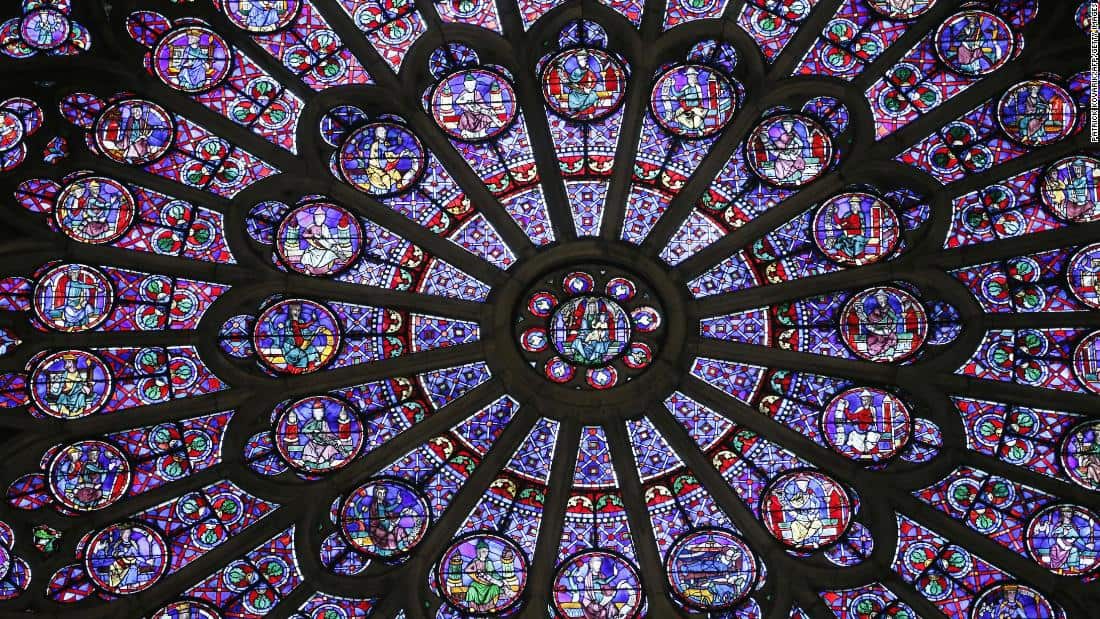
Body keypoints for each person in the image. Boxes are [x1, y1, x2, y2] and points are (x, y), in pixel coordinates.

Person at [285, 207, 354, 274]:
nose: (319, 219)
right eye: (318, 217)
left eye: (321, 217)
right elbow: (305, 234)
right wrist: (312, 236)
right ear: (315, 217)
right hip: (314, 248)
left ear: (323, 218)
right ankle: (308, 269)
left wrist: (329, 243)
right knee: (307, 255)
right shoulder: (311, 226)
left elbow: (329, 238)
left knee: (331, 254)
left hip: (325, 247)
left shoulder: (325, 227)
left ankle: (327, 269)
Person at [461, 540, 507, 611]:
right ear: (479, 552)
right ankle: (473, 607)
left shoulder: (489, 562)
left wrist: (500, 579)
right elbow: (467, 570)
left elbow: (493, 573)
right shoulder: (476, 561)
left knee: (495, 588)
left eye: (487, 551)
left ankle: (490, 607)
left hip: (488, 584)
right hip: (477, 584)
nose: (486, 553)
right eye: (483, 551)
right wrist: (476, 577)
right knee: (471, 589)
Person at [47, 354, 95, 418]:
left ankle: (79, 412)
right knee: (62, 396)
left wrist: (80, 384)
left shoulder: (77, 373)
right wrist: (57, 390)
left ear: (72, 363)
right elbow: (61, 384)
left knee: (81, 396)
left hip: (76, 393)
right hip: (66, 393)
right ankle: (64, 412)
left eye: (68, 362)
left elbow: (80, 383)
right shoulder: (65, 374)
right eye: (66, 362)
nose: (66, 363)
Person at [784, 478, 824, 546]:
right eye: (799, 484)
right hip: (800, 521)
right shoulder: (796, 498)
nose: (801, 486)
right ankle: (802, 541)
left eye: (803, 484)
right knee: (794, 525)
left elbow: (815, 511)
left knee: (816, 523)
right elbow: (792, 507)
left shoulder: (812, 498)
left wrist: (811, 516)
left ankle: (807, 541)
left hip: (812, 520)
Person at [767, 119, 808, 184]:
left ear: (791, 125)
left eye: (787, 125)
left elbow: (800, 144)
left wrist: (796, 154)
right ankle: (782, 179)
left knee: (796, 165)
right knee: (778, 166)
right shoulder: (781, 135)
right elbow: (778, 147)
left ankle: (793, 178)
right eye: (784, 125)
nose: (785, 126)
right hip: (784, 156)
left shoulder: (794, 135)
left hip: (794, 157)